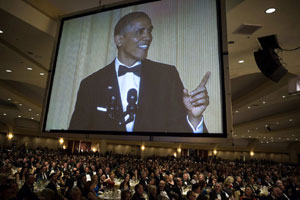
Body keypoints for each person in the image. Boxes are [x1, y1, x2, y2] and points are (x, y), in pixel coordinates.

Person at [69, 11, 210, 134]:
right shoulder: (90, 84)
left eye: (149, 31)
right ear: (119, 40)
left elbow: (182, 137)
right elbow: (75, 136)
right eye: (140, 32)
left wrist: (194, 117)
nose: (148, 37)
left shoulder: (167, 75)